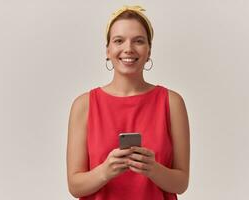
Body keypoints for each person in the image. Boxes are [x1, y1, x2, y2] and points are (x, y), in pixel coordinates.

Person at [66, 5, 190, 200]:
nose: (128, 49)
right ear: (108, 50)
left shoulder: (172, 103)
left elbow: (181, 183)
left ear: (149, 51)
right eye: (119, 41)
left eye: (138, 41)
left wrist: (153, 169)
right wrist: (105, 172)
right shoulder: (84, 105)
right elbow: (75, 186)